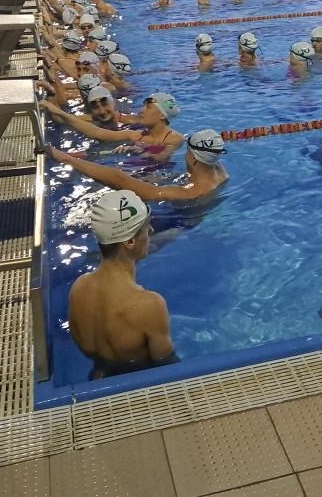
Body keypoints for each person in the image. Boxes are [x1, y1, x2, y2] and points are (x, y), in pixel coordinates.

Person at [68, 190, 176, 379]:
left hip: (97, 376)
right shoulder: (149, 305)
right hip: (138, 386)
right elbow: (169, 369)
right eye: (146, 227)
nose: (151, 231)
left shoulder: (79, 288)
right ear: (130, 241)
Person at [49, 129, 229, 205]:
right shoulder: (221, 173)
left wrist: (68, 159)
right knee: (151, 178)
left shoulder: (188, 193)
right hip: (197, 191)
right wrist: (144, 151)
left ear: (195, 159)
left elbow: (119, 179)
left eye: (188, 151)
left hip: (181, 223)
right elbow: (211, 151)